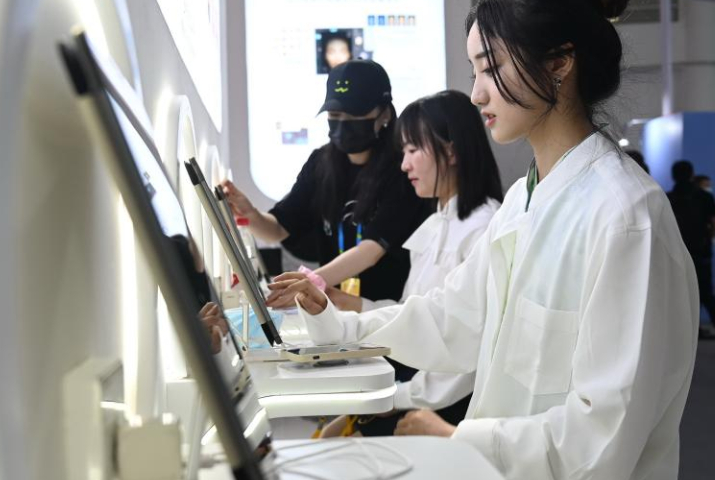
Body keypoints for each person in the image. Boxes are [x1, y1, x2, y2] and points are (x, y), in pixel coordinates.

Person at [268, 0, 698, 478]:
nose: (475, 94)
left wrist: (459, 439)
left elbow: (603, 434)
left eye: (490, 68)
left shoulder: (623, 216)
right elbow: (450, 319)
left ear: (558, 63)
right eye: (475, 71)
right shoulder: (523, 201)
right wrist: (331, 320)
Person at [321, 90, 503, 437]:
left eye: (412, 150)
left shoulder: (482, 229)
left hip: (444, 408)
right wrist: (357, 306)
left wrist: (394, 396)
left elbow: (467, 353)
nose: (404, 164)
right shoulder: (437, 224)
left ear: (450, 150)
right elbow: (416, 315)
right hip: (417, 389)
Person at [222, 60, 429, 306]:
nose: (343, 123)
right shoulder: (321, 163)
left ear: (384, 113)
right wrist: (250, 215)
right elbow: (278, 228)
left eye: (355, 114)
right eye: (335, 115)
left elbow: (371, 250)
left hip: (389, 311)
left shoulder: (403, 169)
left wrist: (308, 282)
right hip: (337, 314)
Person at [668, 160, 715, 339]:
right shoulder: (705, 197)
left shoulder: (668, 197)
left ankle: (683, 331)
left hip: (677, 251)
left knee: (679, 293)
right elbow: (712, 223)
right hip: (701, 250)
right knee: (706, 292)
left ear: (673, 175)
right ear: (691, 174)